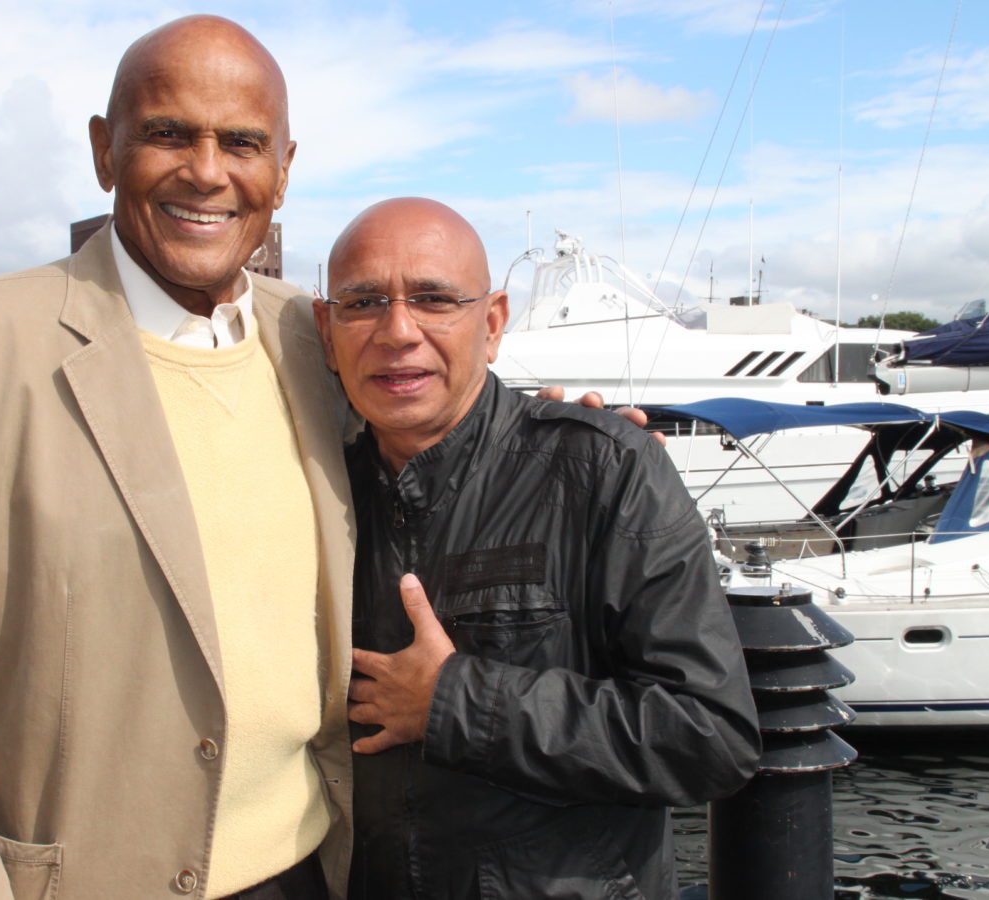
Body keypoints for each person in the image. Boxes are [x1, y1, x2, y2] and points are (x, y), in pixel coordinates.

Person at [0, 15, 356, 900]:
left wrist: (581, 442)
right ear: (105, 153)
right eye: (167, 134)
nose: (208, 171)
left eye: (243, 142)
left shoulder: (312, 337)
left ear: (285, 169)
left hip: (311, 874)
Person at [313, 198, 761, 899]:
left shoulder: (608, 471)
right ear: (326, 328)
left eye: (433, 299)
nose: (398, 331)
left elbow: (708, 735)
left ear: (491, 324)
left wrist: (454, 702)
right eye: (364, 302)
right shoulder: (313, 492)